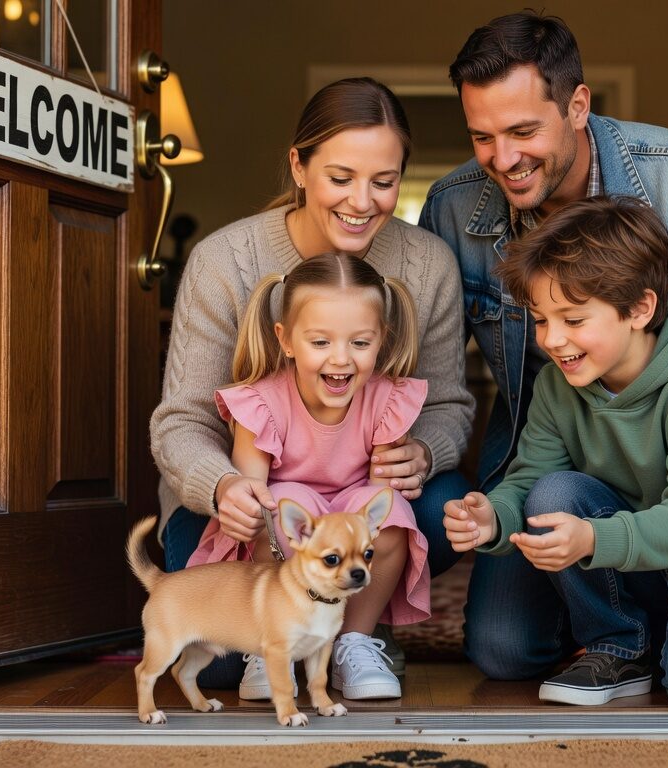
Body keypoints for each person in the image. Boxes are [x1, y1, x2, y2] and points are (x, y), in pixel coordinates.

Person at [417, 11, 668, 678]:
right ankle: (628, 634)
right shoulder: (454, 206)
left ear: (578, 105)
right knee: (504, 649)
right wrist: (481, 508)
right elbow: (437, 373)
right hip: (546, 449)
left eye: (524, 131)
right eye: (483, 137)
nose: (503, 159)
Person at [150, 77, 473, 690]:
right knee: (215, 659)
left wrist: (423, 451)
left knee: (435, 507)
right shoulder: (226, 262)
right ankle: (294, 636)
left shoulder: (427, 264)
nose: (363, 201)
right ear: (298, 166)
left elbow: (449, 403)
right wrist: (222, 487)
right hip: (250, 504)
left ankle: (357, 636)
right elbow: (183, 421)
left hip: (362, 497)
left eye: (384, 181)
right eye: (341, 177)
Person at [443, 196, 668, 711]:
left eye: (572, 319)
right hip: (634, 544)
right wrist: (493, 518)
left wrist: (591, 536)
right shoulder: (557, 385)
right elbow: (528, 482)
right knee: (552, 495)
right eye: (541, 320)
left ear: (640, 309)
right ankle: (624, 644)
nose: (552, 340)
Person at [187, 254, 432, 700]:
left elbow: (377, 503)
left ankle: (351, 641)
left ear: (381, 341)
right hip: (282, 543)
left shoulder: (387, 399)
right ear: (286, 340)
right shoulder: (260, 403)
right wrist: (241, 506)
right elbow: (251, 499)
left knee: (393, 511)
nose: (341, 359)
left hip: (347, 524)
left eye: (360, 343)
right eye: (320, 342)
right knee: (278, 503)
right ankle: (269, 643)